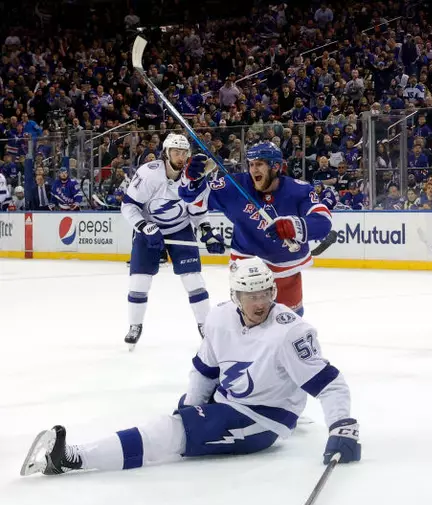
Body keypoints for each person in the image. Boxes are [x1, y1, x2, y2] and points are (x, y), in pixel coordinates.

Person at [20, 258, 360, 477]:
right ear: (235, 295)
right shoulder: (220, 317)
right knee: (176, 420)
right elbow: (206, 370)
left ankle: (73, 458)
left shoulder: (291, 331)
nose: (259, 303)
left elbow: (329, 384)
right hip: (228, 402)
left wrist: (342, 426)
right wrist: (194, 406)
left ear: (273, 290)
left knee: (167, 432)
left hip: (262, 420)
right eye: (250, 295)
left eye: (265, 294)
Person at [179, 142, 333, 316]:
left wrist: (293, 226)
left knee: (290, 319)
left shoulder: (299, 190)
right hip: (246, 260)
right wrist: (191, 179)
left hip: (285, 262)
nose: (253, 170)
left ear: (275, 166)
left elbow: (323, 221)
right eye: (251, 164)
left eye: (259, 164)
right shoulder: (235, 185)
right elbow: (192, 198)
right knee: (249, 319)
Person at [121, 133, 211, 348]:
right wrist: (144, 226)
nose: (180, 157)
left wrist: (206, 230)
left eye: (183, 153)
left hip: (180, 229)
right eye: (176, 152)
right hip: (149, 229)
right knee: (139, 281)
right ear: (166, 153)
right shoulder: (149, 174)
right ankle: (135, 325)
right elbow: (128, 205)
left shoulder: (195, 177)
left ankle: (205, 325)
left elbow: (197, 211)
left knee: (194, 280)